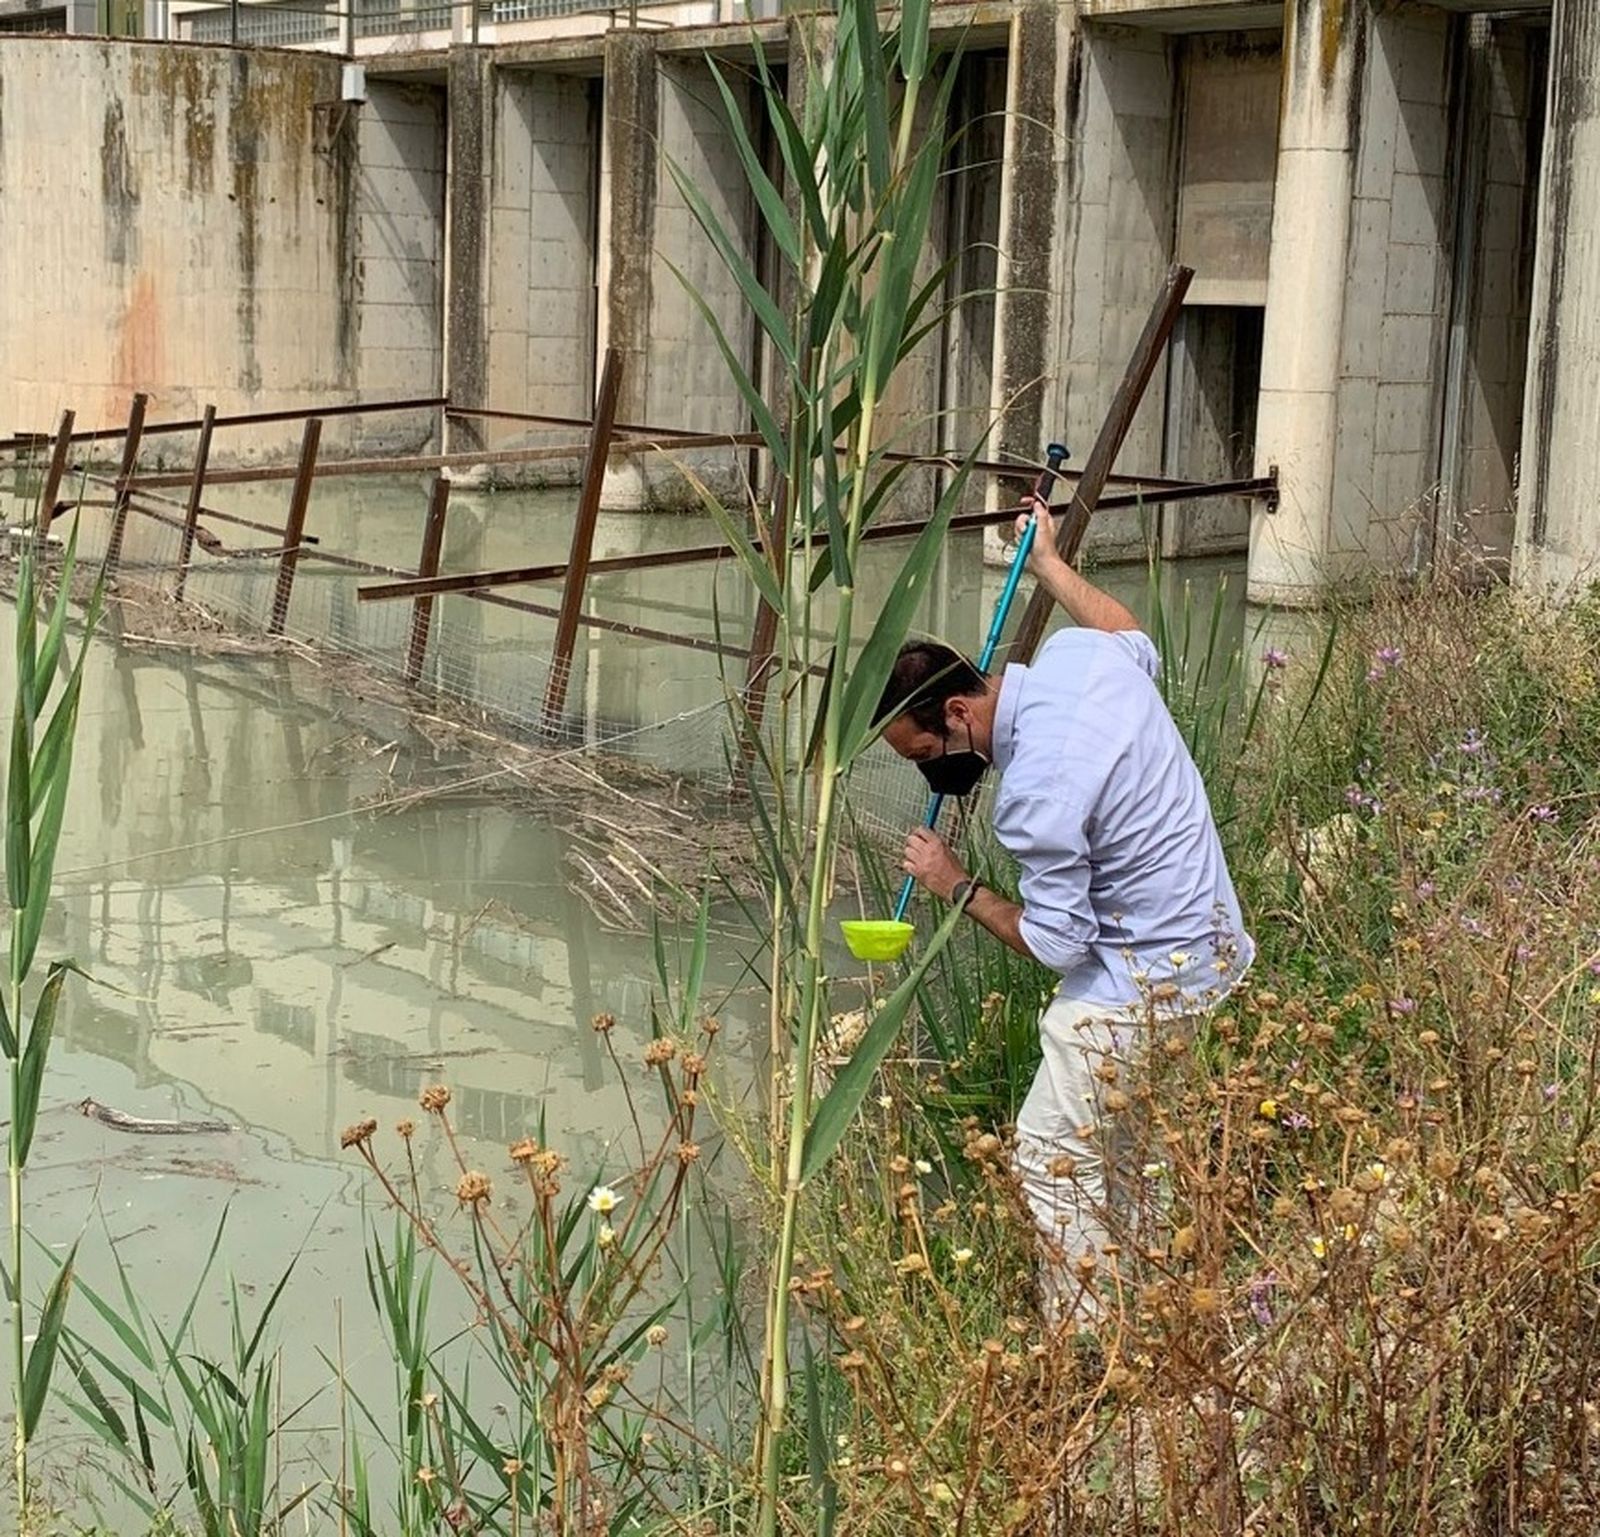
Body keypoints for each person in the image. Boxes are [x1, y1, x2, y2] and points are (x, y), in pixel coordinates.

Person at [874, 500, 1254, 1319]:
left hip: (1143, 983)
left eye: (926, 756)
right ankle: (1153, 1308)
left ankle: (1088, 1341)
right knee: (1131, 1158)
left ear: (957, 714)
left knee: (1049, 1153)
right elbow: (1131, 632)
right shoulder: (1079, 657)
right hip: (1212, 949)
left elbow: (1055, 944)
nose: (931, 774)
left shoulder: (1036, 789)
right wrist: (1049, 565)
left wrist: (955, 884)